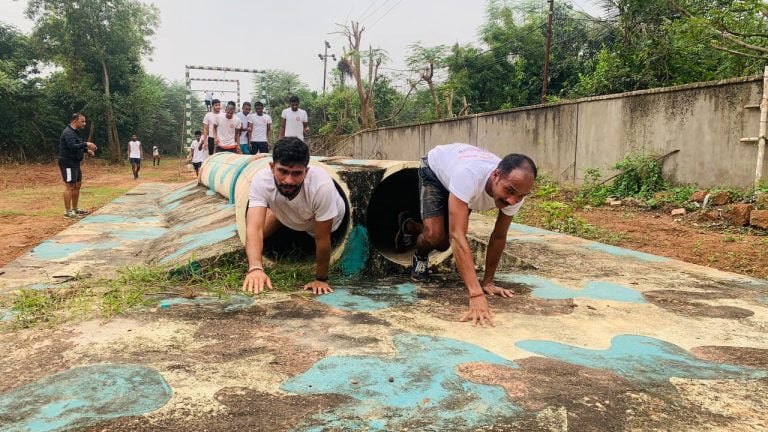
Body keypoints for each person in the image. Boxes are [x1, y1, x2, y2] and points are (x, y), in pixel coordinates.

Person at [395, 143, 537, 327]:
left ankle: (412, 226)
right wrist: (475, 294)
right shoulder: (469, 176)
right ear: (495, 176)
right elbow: (458, 235)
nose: (512, 201)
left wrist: (487, 282)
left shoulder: (516, 192)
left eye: (520, 196)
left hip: (458, 177)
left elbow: (499, 236)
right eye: (509, 191)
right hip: (435, 170)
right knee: (436, 236)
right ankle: (414, 238)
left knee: (444, 243)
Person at [242, 137, 346, 296]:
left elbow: (322, 238)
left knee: (315, 228)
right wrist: (255, 268)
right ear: (272, 167)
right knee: (254, 227)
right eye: (283, 171)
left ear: (307, 171)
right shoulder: (261, 180)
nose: (289, 180)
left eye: (297, 173)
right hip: (290, 215)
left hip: (325, 222)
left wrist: (321, 279)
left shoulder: (321, 186)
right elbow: (254, 229)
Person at [59, 113, 97, 218]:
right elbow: (71, 146)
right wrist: (86, 144)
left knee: (77, 185)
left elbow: (77, 146)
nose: (84, 123)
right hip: (67, 162)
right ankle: (68, 211)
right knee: (70, 186)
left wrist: (86, 150)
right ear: (75, 121)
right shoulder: (68, 132)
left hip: (75, 162)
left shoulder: (75, 133)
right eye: (82, 121)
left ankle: (75, 209)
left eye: (85, 121)